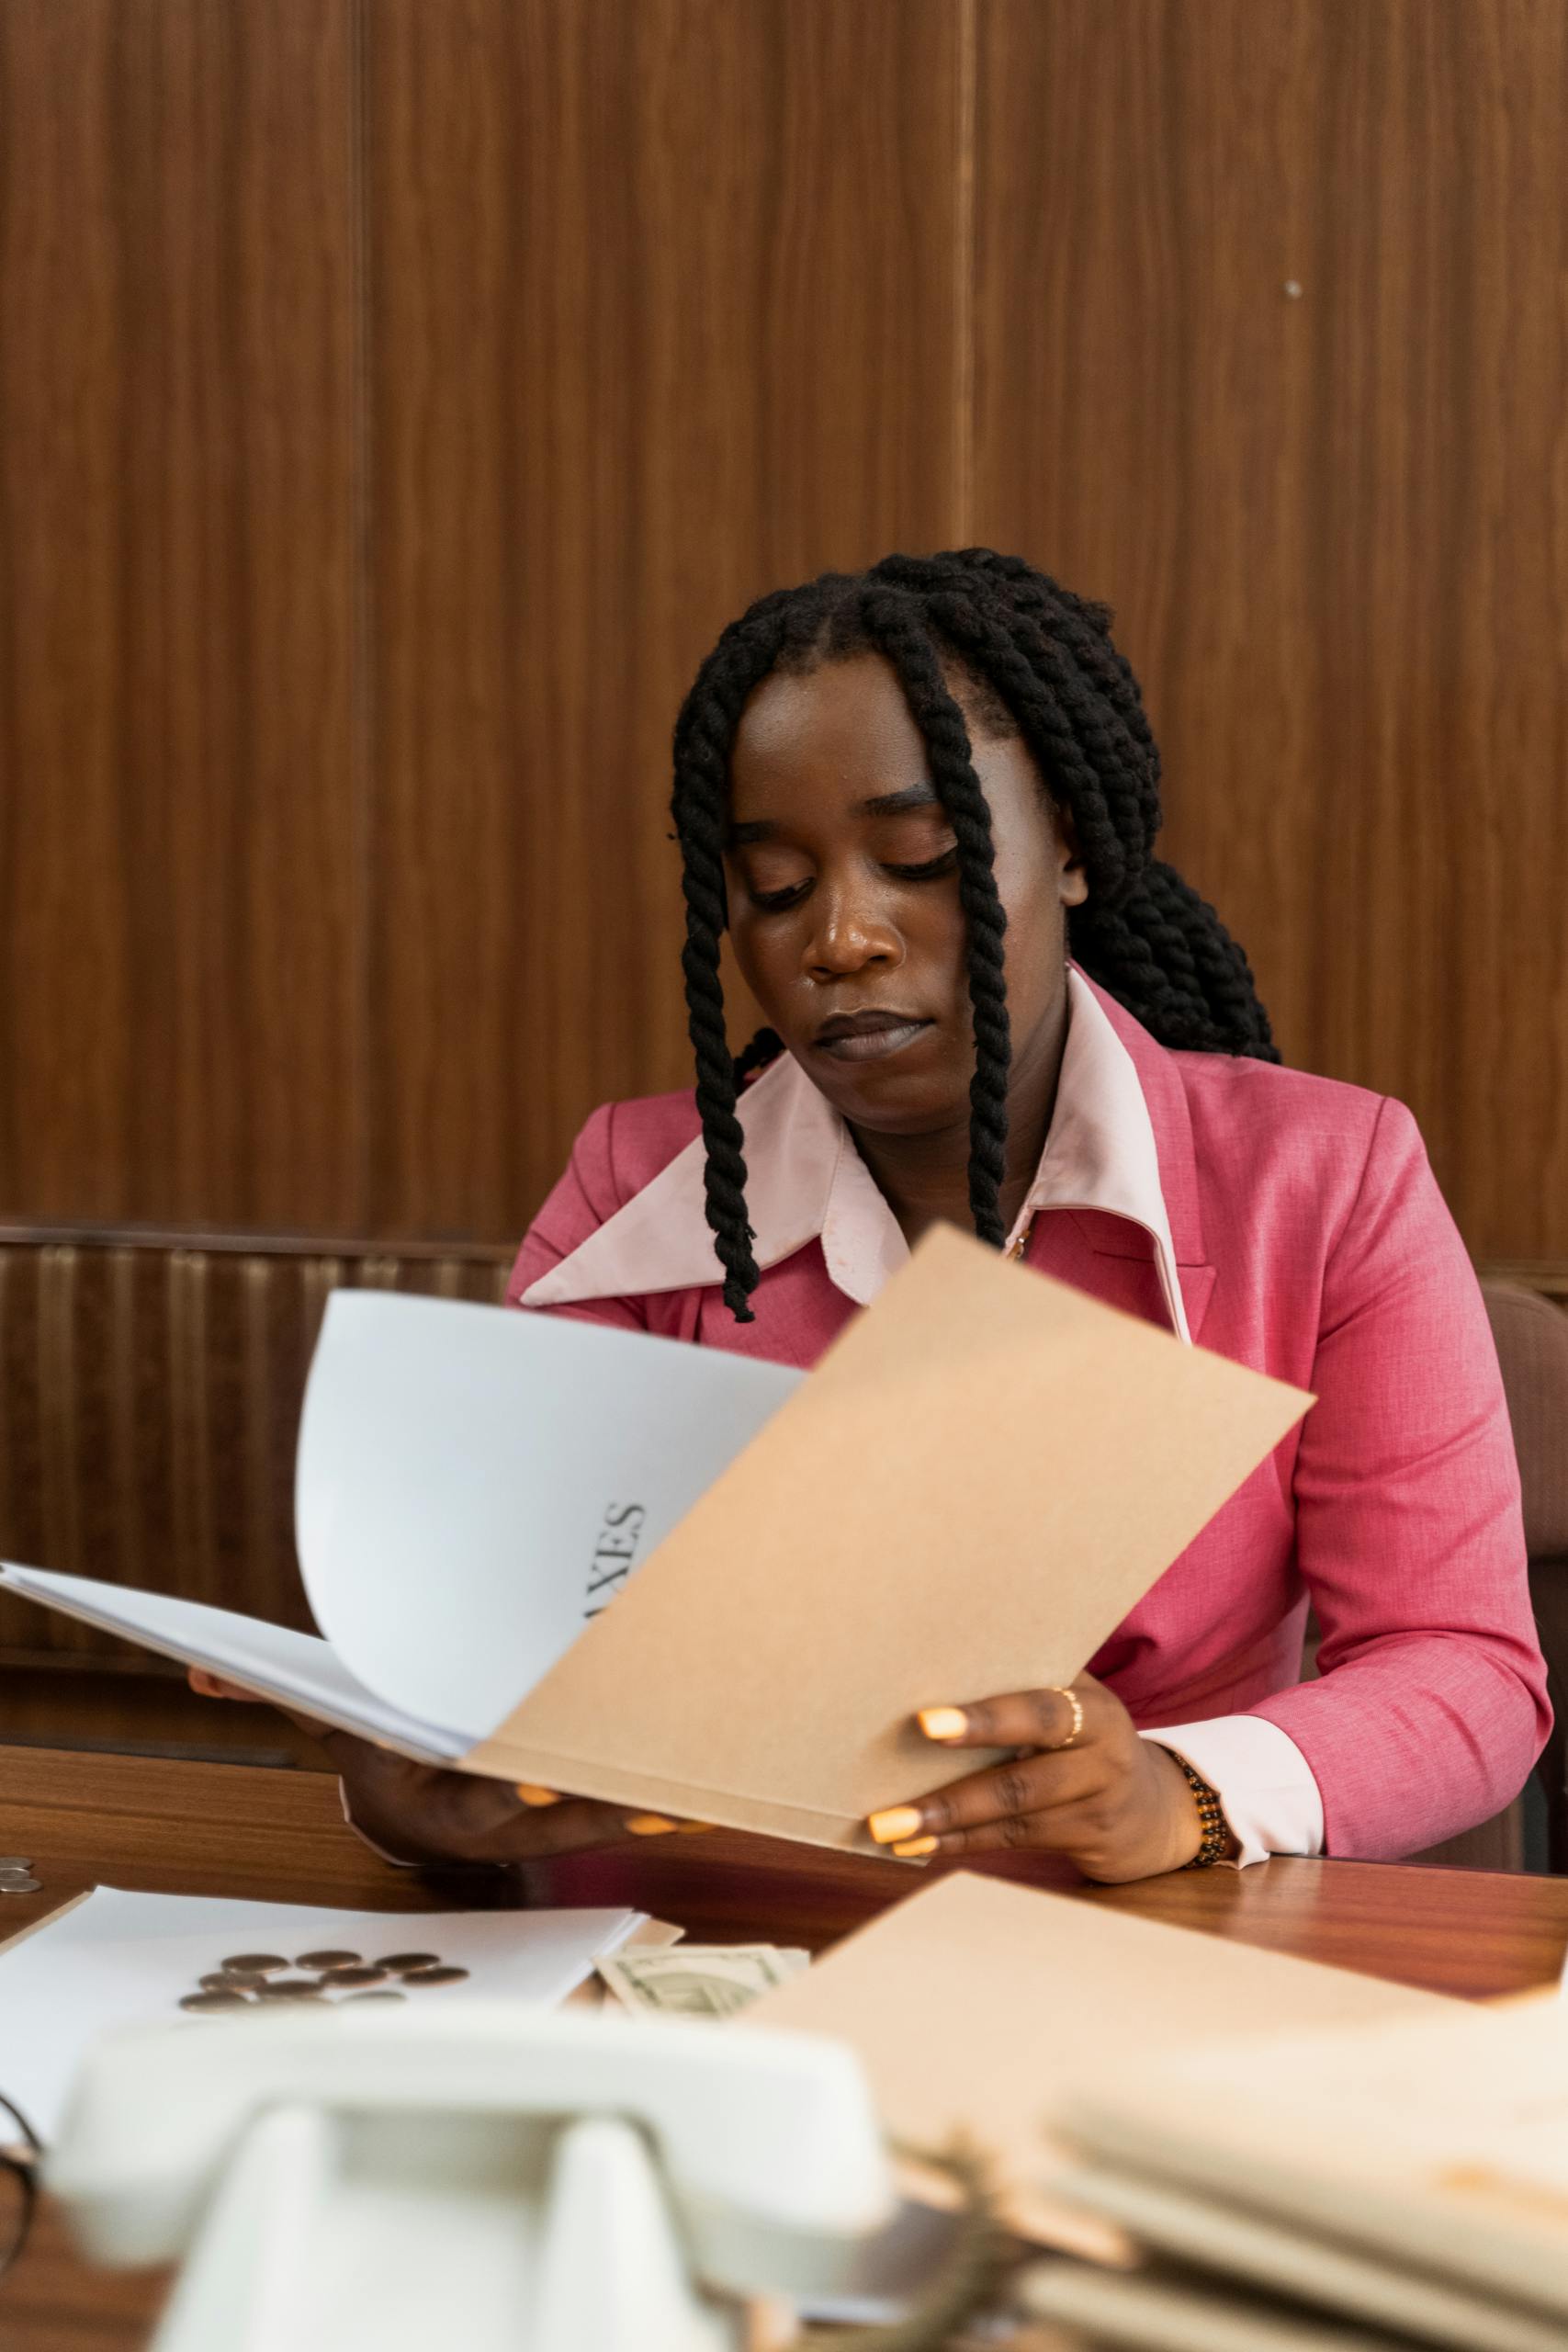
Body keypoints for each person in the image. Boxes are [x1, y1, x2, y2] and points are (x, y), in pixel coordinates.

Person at [195, 549, 1549, 1879]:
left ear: (1070, 849)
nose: (841, 936)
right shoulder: (635, 1197)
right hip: (714, 1953)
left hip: (1142, 1955)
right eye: (776, 888)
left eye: (920, 858)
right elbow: (491, 1656)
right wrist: (412, 1795)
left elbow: (1466, 1670)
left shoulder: (1326, 1180)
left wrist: (1179, 1791)